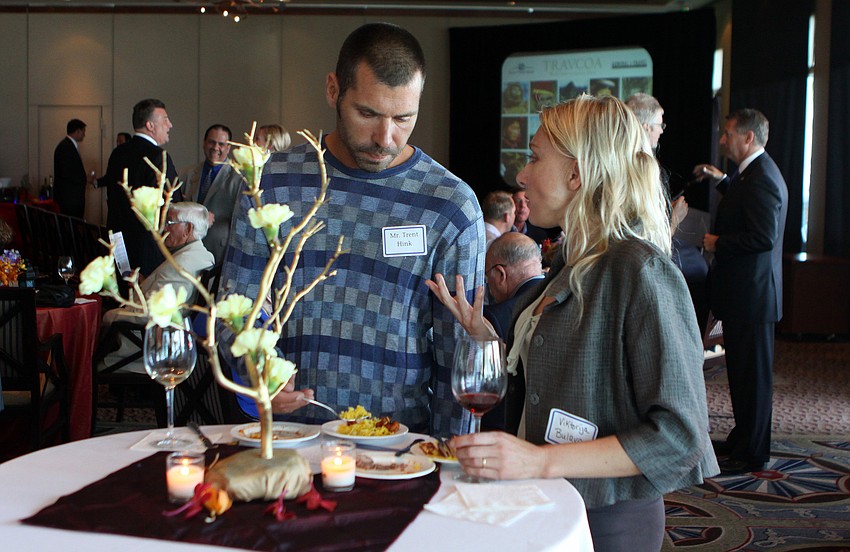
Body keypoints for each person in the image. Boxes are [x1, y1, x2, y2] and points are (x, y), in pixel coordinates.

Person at [427, 95, 718, 551]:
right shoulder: (573, 261)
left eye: (535, 156)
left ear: (577, 174)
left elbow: (681, 437)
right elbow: (577, 372)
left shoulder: (640, 270)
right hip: (547, 502)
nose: (521, 175)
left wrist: (539, 461)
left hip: (608, 521)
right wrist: (496, 343)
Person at [217, 22, 485, 436]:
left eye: (403, 117)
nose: (385, 137)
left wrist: (452, 463)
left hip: (399, 450)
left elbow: (459, 357)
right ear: (332, 90)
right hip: (290, 441)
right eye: (368, 114)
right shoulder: (273, 182)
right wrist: (256, 367)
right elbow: (236, 306)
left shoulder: (450, 205)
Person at [693, 108, 788, 475]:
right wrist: (722, 181)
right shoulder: (752, 174)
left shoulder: (762, 177)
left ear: (748, 138)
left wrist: (718, 242)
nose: (722, 140)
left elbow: (763, 236)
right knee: (744, 375)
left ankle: (753, 450)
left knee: (754, 378)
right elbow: (744, 201)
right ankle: (744, 437)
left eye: (728, 133)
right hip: (746, 295)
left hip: (754, 296)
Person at [626, 92, 709, 331]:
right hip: (641, 273)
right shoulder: (642, 168)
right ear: (644, 127)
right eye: (659, 124)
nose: (662, 130)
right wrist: (674, 219)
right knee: (699, 269)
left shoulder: (618, 161)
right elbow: (645, 241)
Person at [101, 202, 214, 373]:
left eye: (169, 222)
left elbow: (152, 313)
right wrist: (143, 283)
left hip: (145, 348)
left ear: (188, 229)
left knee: (82, 365)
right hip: (150, 338)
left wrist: (108, 317)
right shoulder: (200, 255)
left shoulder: (182, 264)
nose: (163, 227)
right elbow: (165, 293)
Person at [102, 98, 180, 277]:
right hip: (147, 249)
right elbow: (171, 203)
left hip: (118, 241)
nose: (170, 125)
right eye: (165, 120)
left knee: (123, 300)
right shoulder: (158, 157)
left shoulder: (117, 153)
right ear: (150, 125)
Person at [480, 232, 544, 433]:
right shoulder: (566, 299)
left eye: (487, 276)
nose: (488, 285)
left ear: (500, 274)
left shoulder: (493, 317)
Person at [179, 124, 244, 266]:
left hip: (219, 252)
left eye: (221, 144)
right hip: (187, 250)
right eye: (211, 142)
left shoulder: (238, 177)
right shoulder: (187, 174)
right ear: (204, 143)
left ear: (228, 148)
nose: (215, 147)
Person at [53, 119, 88, 218]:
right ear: (77, 131)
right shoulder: (66, 147)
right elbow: (67, 173)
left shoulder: (66, 146)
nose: (84, 135)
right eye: (83, 131)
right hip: (70, 200)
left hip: (70, 199)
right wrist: (84, 178)